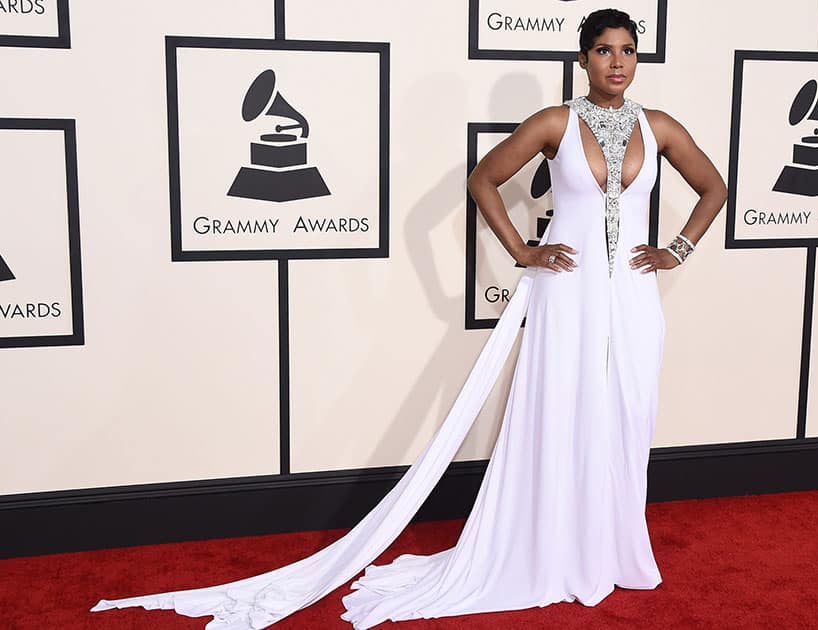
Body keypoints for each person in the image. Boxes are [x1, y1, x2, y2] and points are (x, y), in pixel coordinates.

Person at [91, 8, 726, 629]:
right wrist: (523, 252)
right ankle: (554, 548)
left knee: (626, 412)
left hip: (634, 298)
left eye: (628, 51)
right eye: (604, 50)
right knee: (561, 409)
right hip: (566, 294)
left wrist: (678, 249)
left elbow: (714, 187)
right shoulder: (553, 123)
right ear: (583, 58)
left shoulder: (660, 126)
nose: (618, 62)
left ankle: (612, 548)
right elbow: (484, 181)